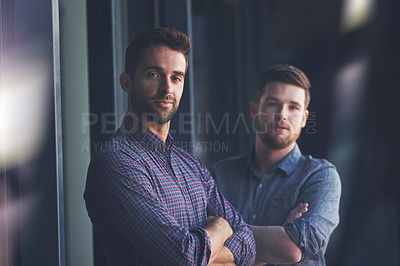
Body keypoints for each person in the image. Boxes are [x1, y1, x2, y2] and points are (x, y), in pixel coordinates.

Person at [84, 27, 256, 265]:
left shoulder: (190, 164)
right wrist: (220, 226)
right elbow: (183, 258)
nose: (167, 88)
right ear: (126, 82)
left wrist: (204, 253)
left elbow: (248, 244)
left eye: (176, 77)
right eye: (154, 74)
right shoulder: (116, 162)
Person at [212, 64, 341, 265]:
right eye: (273, 104)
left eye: (293, 107)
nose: (282, 114)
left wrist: (224, 231)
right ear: (254, 109)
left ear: (304, 118)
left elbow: (291, 250)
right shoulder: (219, 174)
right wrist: (278, 236)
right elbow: (203, 253)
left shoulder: (320, 176)